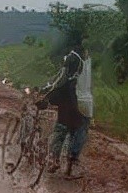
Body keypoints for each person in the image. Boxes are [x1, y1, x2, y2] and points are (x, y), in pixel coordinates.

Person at [38, 46, 90, 177]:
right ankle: (71, 162)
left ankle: (54, 159)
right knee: (77, 130)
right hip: (80, 103)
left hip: (70, 100)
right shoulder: (83, 63)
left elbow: (60, 80)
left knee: (61, 129)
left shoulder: (72, 59)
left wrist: (47, 92)